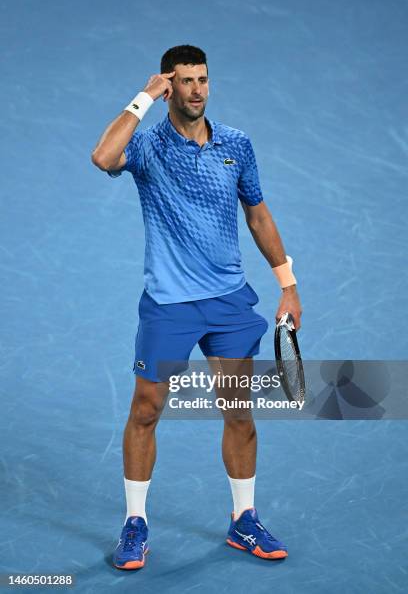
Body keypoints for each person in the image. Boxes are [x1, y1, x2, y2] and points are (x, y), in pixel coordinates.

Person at [91, 44, 302, 570]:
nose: (196, 90)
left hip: (229, 302)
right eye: (184, 81)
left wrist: (288, 284)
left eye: (203, 79)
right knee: (146, 410)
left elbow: (257, 214)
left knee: (239, 412)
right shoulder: (146, 148)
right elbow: (103, 157)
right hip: (168, 305)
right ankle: (135, 523)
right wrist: (142, 97)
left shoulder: (236, 144)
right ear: (169, 86)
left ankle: (243, 519)